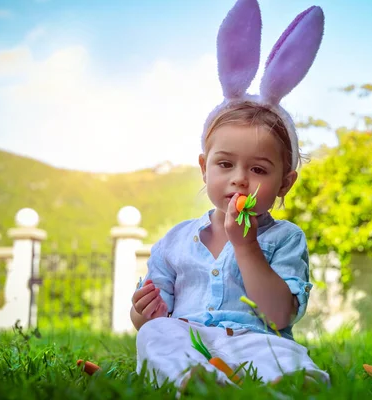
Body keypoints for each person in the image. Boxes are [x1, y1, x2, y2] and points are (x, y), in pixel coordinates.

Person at [130, 0, 328, 390]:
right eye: (225, 165)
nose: (239, 180)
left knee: (288, 355)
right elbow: (159, 314)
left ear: (285, 184)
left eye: (258, 169)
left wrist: (247, 246)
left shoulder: (286, 239)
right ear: (204, 167)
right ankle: (196, 380)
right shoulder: (175, 242)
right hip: (192, 338)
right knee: (154, 338)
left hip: (258, 341)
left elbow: (278, 316)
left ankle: (289, 383)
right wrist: (143, 315)